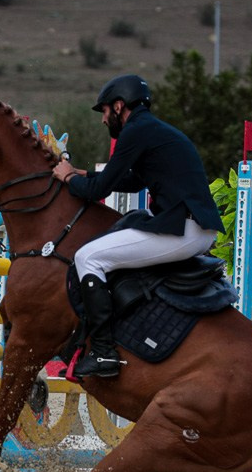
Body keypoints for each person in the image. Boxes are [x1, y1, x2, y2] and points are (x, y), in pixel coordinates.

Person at [52, 74, 225, 378]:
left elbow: (97, 192)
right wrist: (84, 173)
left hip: (184, 231)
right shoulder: (152, 129)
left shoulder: (136, 131)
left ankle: (104, 352)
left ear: (119, 106)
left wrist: (68, 177)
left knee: (87, 258)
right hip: (196, 229)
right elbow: (132, 182)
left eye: (105, 111)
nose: (104, 120)